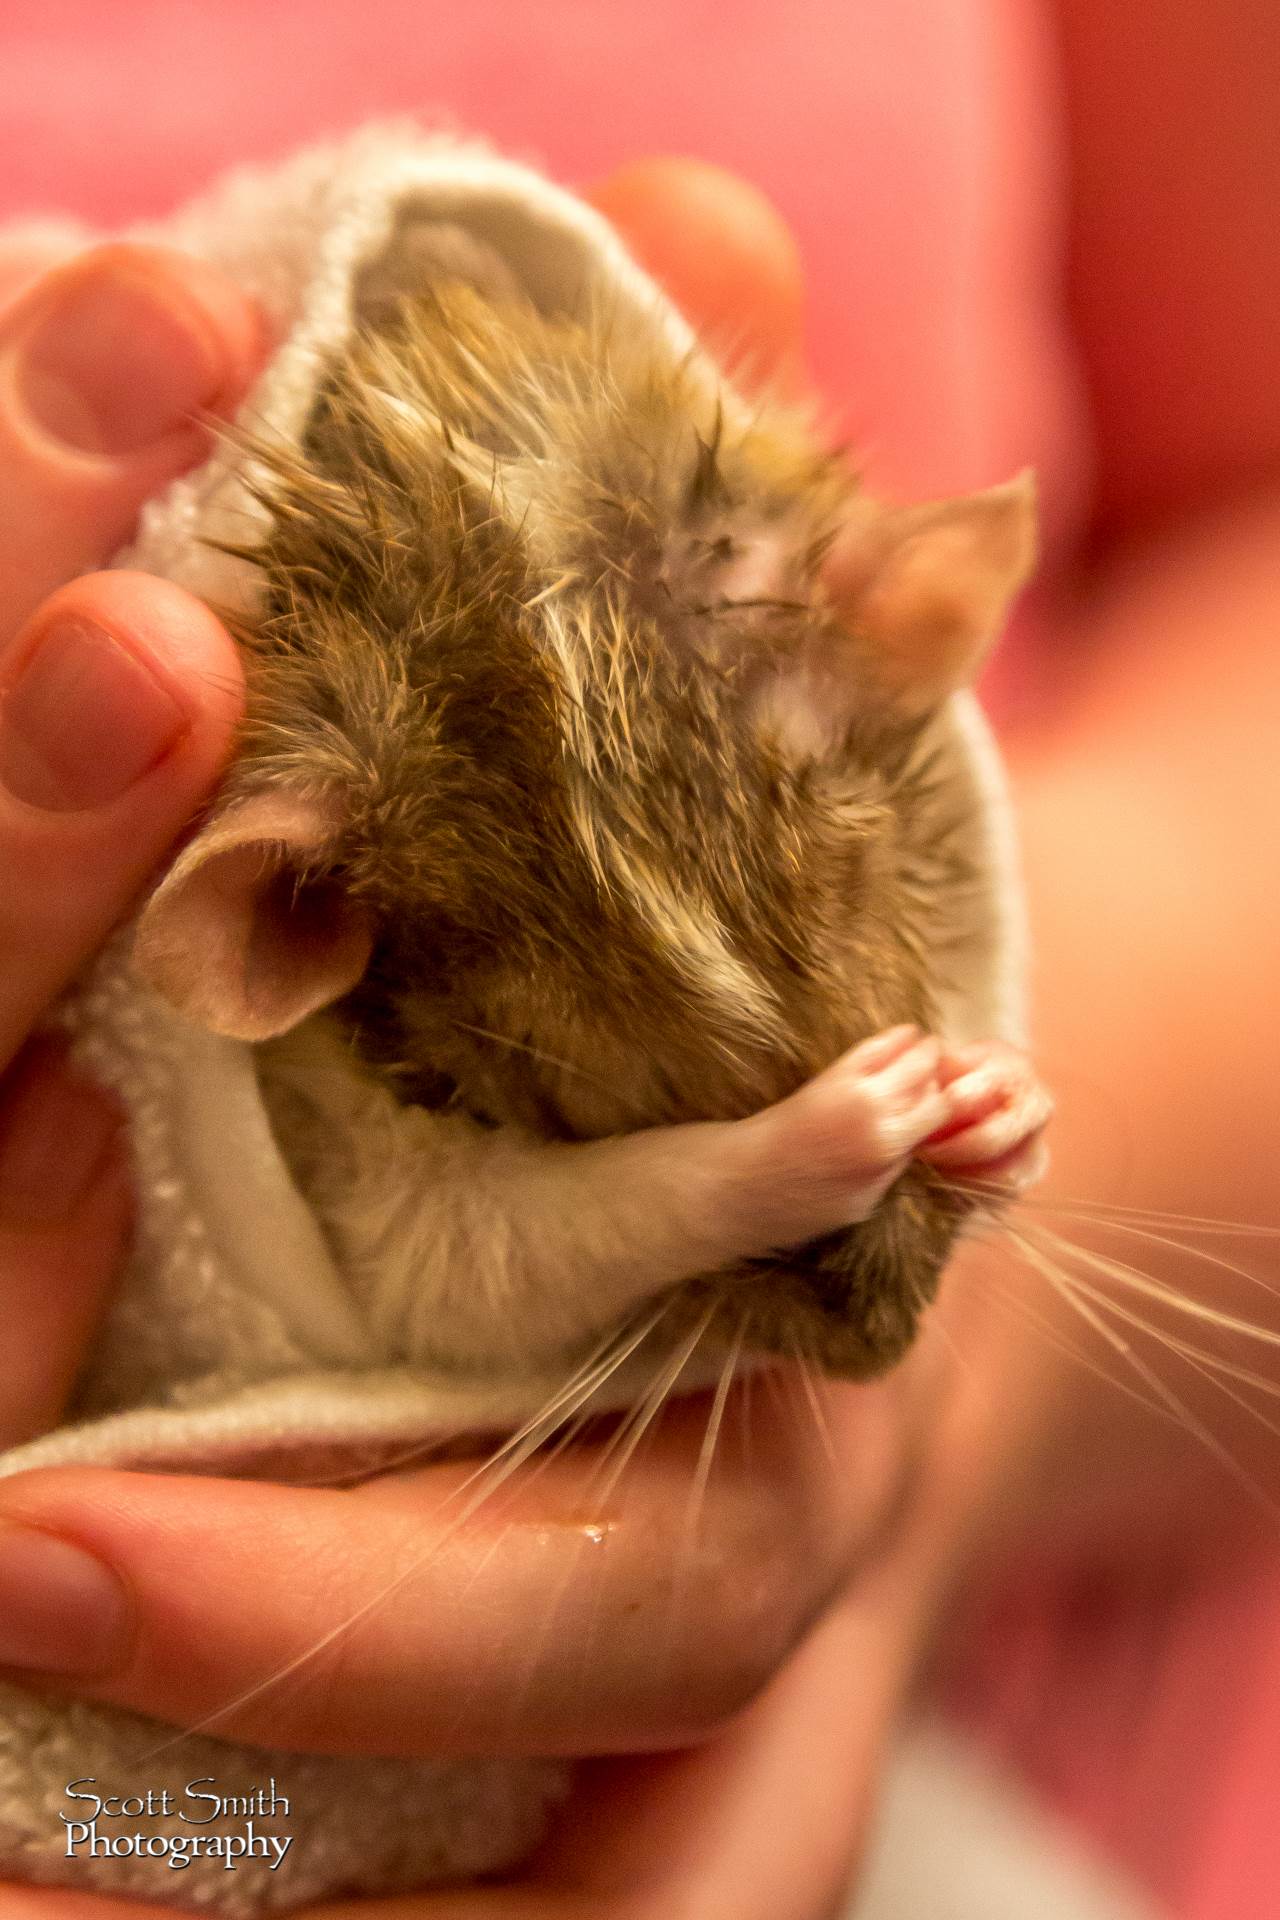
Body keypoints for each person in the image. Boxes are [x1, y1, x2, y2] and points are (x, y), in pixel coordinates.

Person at [0, 0, 1277, 1906]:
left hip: (1035, 1733)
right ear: (293, 923)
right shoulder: (337, 865)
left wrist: (967, 1362)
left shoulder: (782, 604)